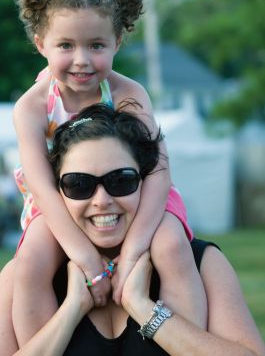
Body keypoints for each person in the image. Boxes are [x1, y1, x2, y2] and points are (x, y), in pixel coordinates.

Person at [10, 0, 206, 347]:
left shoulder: (128, 93)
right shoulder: (32, 107)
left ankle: (183, 340)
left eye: (96, 45)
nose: (81, 60)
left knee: (170, 244)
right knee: (31, 258)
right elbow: (42, 187)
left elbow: (158, 171)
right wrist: (84, 257)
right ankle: (41, 343)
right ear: (41, 44)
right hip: (60, 201)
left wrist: (134, 251)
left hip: (135, 192)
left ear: (117, 42)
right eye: (66, 45)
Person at [0, 103, 264, 355]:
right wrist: (71, 310)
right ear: (58, 192)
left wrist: (144, 308)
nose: (102, 201)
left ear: (145, 182)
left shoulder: (201, 262)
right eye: (79, 184)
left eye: (121, 180)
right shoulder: (23, 274)